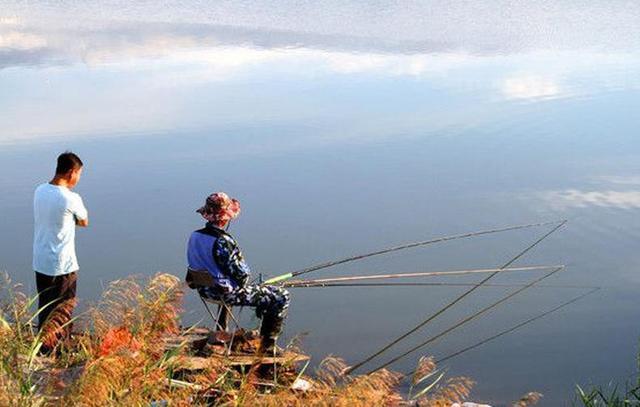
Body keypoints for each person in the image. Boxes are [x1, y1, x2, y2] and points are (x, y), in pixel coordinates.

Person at [186, 192, 290, 353]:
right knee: (281, 295)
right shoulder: (224, 241)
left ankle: (222, 330)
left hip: (204, 289)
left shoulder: (195, 236)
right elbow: (242, 276)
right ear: (226, 218)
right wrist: (246, 278)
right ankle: (268, 347)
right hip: (224, 293)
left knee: (225, 285)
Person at [33, 151, 88, 349]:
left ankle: (43, 347)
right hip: (63, 263)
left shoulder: (39, 190)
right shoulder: (71, 198)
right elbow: (84, 221)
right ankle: (59, 349)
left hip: (41, 260)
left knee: (46, 306)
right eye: (79, 174)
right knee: (63, 309)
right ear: (71, 172)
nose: (79, 178)